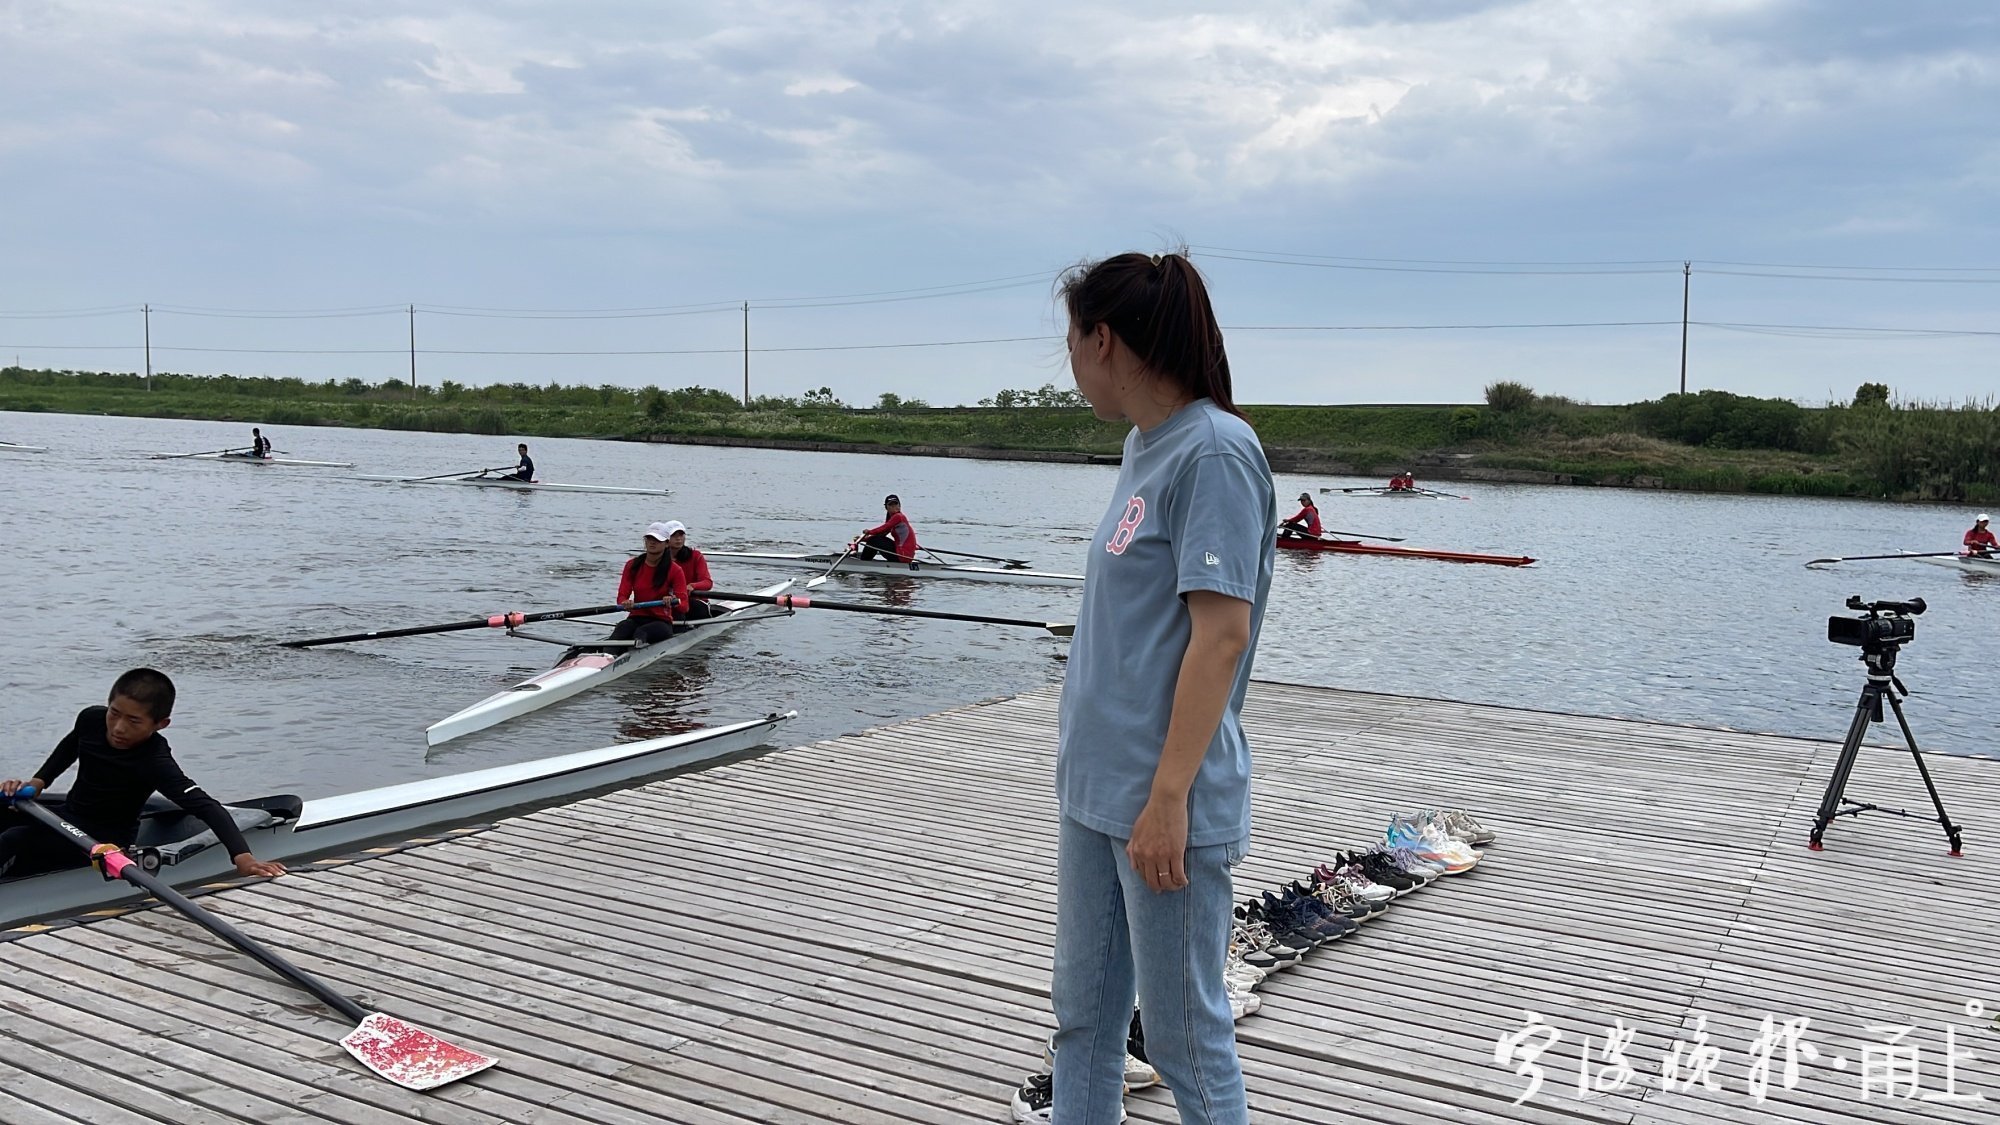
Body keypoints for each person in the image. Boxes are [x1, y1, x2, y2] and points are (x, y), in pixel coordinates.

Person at [1017, 251, 1274, 1125]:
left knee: (1182, 1040)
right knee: (1082, 1021)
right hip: (1096, 790)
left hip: (1165, 800)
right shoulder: (1143, 446)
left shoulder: (1214, 452)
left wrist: (1169, 797)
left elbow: (1222, 633)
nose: (1072, 363)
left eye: (1073, 341)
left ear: (1104, 338)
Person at [0, 669, 288, 882]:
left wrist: (243, 858)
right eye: (114, 714)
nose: (118, 728)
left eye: (134, 721)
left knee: (14, 839)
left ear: (161, 724)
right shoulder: (91, 719)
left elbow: (205, 806)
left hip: (103, 841)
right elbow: (71, 746)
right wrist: (37, 783)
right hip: (69, 817)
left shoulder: (155, 760)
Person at [611, 521, 688, 645]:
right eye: (649, 538)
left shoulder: (675, 570)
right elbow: (621, 596)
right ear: (645, 541)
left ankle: (634, 655)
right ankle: (606, 657)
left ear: (667, 544)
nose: (652, 542)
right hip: (636, 617)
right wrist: (625, 602)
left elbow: (684, 605)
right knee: (622, 628)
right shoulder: (632, 565)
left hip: (661, 621)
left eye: (657, 540)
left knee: (641, 633)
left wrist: (672, 601)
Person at [660, 521, 720, 619]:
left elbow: (708, 583)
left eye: (681, 534)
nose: (678, 538)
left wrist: (692, 586)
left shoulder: (695, 556)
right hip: (670, 602)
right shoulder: (659, 559)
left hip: (695, 602)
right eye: (674, 535)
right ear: (665, 539)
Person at [855, 494, 919, 562]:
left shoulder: (899, 517)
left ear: (899, 506)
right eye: (891, 505)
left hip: (903, 555)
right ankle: (865, 560)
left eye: (896, 504)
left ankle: (864, 562)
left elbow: (883, 528)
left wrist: (869, 532)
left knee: (875, 540)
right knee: (875, 540)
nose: (894, 506)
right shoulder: (893, 518)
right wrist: (864, 539)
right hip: (901, 552)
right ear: (886, 507)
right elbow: (882, 534)